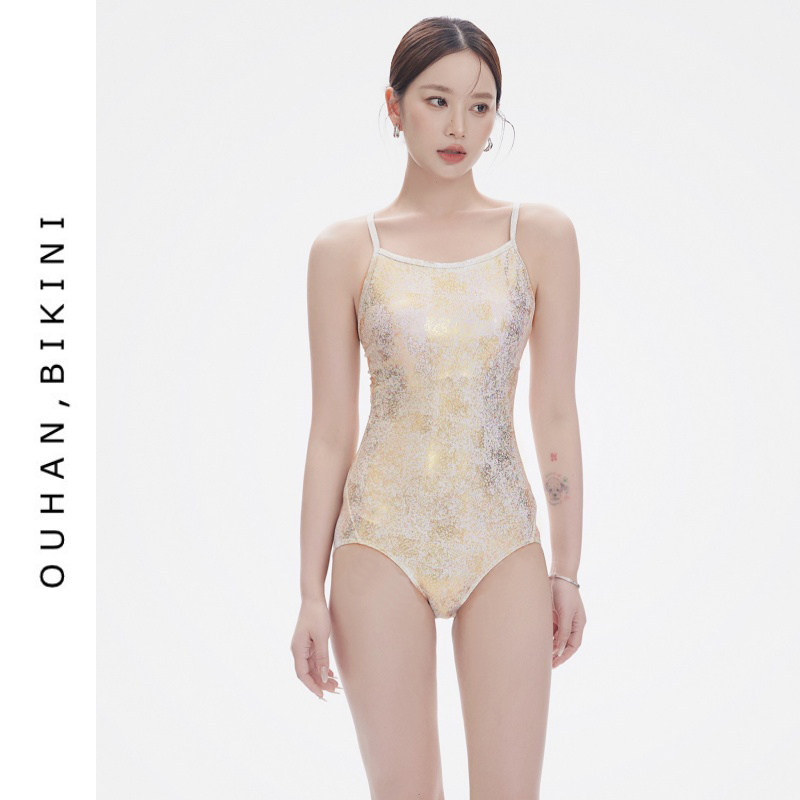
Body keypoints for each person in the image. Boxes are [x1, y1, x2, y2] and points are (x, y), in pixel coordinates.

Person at [291, 15, 586, 799]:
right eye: (437, 101)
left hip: (501, 536)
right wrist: (308, 593)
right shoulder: (345, 251)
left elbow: (556, 413)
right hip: (379, 540)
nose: (460, 127)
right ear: (394, 106)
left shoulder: (540, 236)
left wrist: (568, 571)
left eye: (481, 107)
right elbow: (330, 433)